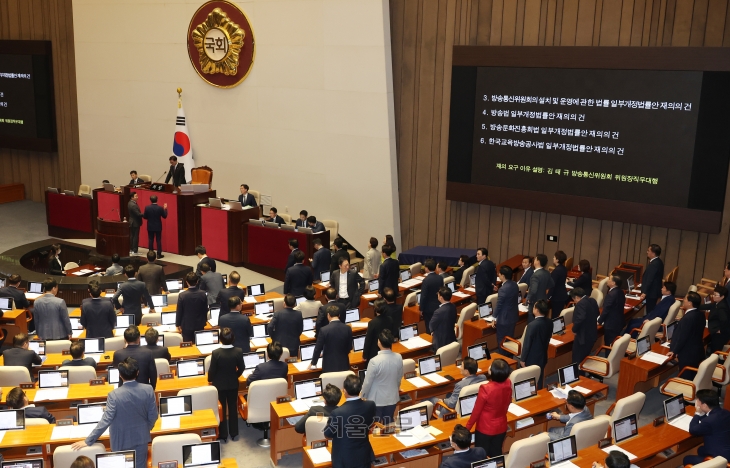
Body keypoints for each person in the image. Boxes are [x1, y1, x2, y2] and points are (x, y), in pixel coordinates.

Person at [71, 357, 158, 468]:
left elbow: (106, 420)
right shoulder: (148, 389)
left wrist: (89, 440)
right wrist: (145, 428)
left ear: (120, 375)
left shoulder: (114, 395)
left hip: (120, 441)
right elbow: (153, 415)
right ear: (137, 372)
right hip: (141, 439)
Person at [323, 374, 376, 468]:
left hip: (344, 458)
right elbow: (370, 422)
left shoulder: (337, 413)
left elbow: (328, 433)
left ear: (344, 391)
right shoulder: (370, 405)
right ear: (360, 389)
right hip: (363, 455)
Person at [465, 358, 512, 458]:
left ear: (493, 371)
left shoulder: (486, 388)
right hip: (501, 426)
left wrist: (467, 428)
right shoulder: (508, 383)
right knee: (496, 455)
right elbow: (508, 403)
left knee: (481, 458)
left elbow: (476, 411)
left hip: (485, 429)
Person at [207, 327, 244, 442]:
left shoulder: (216, 353)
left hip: (219, 385)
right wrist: (235, 375)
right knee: (233, 407)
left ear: (220, 339)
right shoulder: (238, 351)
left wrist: (210, 379)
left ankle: (223, 434)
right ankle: (234, 432)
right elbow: (242, 368)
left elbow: (212, 370)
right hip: (233, 383)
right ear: (233, 338)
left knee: (221, 409)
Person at [361, 329, 402, 424]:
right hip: (392, 398)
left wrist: (363, 395)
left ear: (379, 342)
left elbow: (368, 382)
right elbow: (399, 377)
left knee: (376, 426)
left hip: (376, 400)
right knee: (388, 423)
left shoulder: (374, 361)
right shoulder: (398, 357)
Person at [683, 389, 730, 465]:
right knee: (700, 450)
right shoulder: (726, 413)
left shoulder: (708, 421)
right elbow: (711, 418)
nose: (696, 404)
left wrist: (697, 414)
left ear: (704, 405)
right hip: (727, 451)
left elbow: (693, 430)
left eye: (698, 402)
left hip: (720, 459)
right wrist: (702, 414)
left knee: (687, 459)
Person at [668, 292, 706, 379]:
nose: (683, 300)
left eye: (685, 299)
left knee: (686, 378)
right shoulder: (700, 314)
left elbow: (683, 337)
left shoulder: (688, 318)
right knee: (692, 375)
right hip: (697, 350)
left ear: (690, 303)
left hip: (687, 353)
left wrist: (674, 351)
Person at [311, 305, 353, 372]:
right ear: (339, 315)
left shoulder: (324, 330)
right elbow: (349, 347)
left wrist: (313, 363)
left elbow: (318, 349)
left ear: (328, 315)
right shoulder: (347, 328)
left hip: (329, 365)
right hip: (344, 363)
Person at [522, 300, 552, 388]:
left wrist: (523, 359)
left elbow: (527, 344)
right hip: (542, 355)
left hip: (532, 357)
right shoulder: (550, 322)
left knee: (530, 379)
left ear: (537, 310)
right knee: (539, 377)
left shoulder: (532, 325)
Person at [571, 287, 600, 368]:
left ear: (577, 297)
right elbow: (597, 314)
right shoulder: (592, 300)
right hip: (592, 334)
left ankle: (579, 377)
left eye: (574, 299)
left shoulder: (580, 304)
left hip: (583, 337)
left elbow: (580, 318)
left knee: (577, 360)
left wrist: (574, 329)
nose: (574, 302)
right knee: (584, 358)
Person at [175, 272, 208, 343]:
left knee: (188, 346)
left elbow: (179, 311)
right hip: (200, 324)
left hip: (187, 325)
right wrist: (204, 321)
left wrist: (178, 324)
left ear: (187, 282)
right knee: (199, 343)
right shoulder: (203, 294)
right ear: (197, 281)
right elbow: (205, 309)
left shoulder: (182, 295)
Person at [493, 265, 519, 354]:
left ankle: (502, 359)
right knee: (509, 340)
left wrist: (494, 318)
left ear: (503, 276)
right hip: (513, 317)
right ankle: (509, 358)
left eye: (499, 274)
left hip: (503, 320)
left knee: (502, 342)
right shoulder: (515, 284)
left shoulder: (503, 289)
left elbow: (499, 305)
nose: (498, 275)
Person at [700, 285, 730, 352]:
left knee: (714, 351)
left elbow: (725, 320)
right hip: (715, 329)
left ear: (722, 296)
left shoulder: (722, 307)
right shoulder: (718, 303)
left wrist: (720, 330)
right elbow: (709, 306)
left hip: (720, 336)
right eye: (713, 294)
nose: (713, 296)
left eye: (716, 295)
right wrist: (695, 306)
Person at [598, 275, 626, 346]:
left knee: (609, 343)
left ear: (613, 283)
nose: (607, 281)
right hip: (619, 322)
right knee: (614, 342)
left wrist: (599, 321)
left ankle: (609, 356)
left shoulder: (611, 295)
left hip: (611, 324)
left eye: (609, 280)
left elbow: (606, 310)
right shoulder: (621, 291)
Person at [527, 254, 554, 323]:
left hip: (535, 303)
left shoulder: (535, 275)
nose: (534, 261)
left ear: (538, 262)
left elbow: (533, 290)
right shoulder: (547, 272)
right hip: (544, 300)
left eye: (535, 259)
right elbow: (552, 284)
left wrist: (529, 299)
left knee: (532, 322)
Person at [420, 259, 444, 334]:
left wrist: (421, 309)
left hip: (428, 308)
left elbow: (423, 296)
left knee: (429, 327)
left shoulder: (426, 280)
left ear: (427, 268)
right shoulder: (440, 278)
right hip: (438, 305)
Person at [640, 244, 665, 314]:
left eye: (648, 251)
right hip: (653, 291)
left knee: (650, 311)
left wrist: (645, 292)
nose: (647, 252)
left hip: (652, 292)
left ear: (653, 253)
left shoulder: (655, 264)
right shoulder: (658, 262)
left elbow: (650, 279)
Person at [430, 287, 457, 351]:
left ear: (441, 298)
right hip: (451, 337)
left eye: (438, 295)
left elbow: (432, 325)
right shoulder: (453, 306)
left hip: (440, 342)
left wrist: (432, 331)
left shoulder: (438, 312)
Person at [549, 251, 569, 318]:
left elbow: (552, 285)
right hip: (562, 294)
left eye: (554, 257)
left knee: (555, 316)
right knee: (558, 315)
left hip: (557, 297)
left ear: (557, 260)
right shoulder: (564, 268)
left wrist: (548, 296)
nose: (553, 258)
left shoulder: (556, 271)